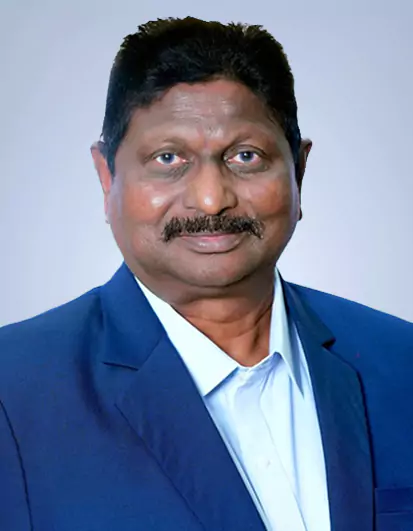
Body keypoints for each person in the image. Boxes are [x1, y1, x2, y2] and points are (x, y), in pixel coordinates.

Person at [0, 16, 412, 531]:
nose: (212, 199)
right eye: (168, 157)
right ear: (107, 176)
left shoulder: (402, 363)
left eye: (245, 156)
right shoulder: (14, 392)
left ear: (299, 171)